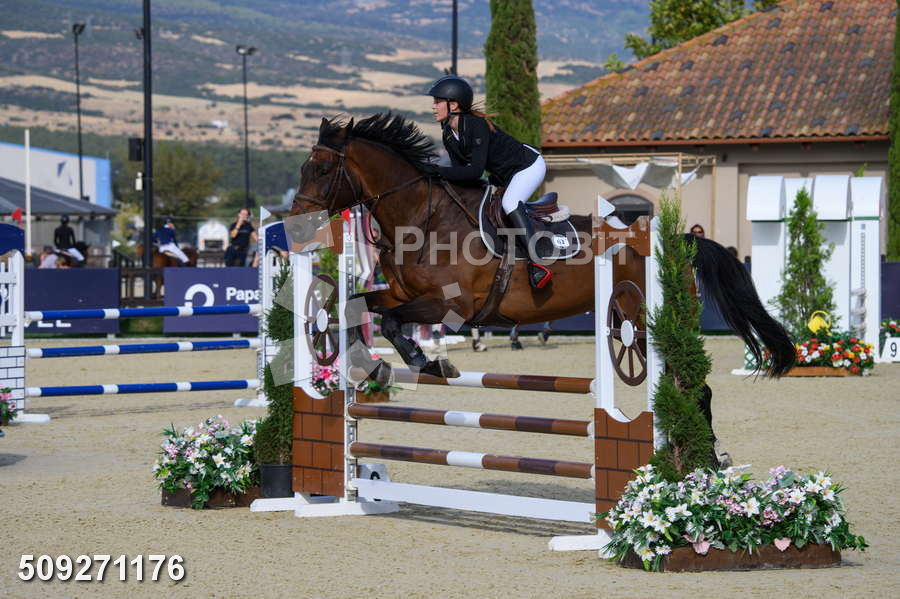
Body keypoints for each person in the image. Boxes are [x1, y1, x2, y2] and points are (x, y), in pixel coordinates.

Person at [425, 75, 551, 289]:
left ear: (453, 105)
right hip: (502, 174)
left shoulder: (476, 125)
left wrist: (436, 171)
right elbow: (460, 172)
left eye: (437, 101)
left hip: (527, 166)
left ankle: (538, 263)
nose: (433, 106)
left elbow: (474, 172)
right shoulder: (448, 133)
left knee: (510, 203)